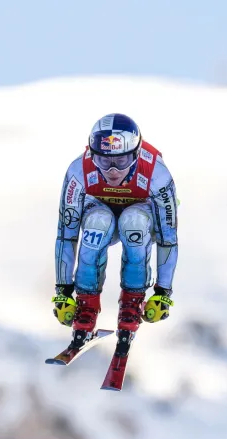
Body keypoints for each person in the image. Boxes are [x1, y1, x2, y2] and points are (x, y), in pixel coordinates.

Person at [51, 113, 179, 347]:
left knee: (134, 224)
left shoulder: (156, 173)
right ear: (91, 154)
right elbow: (66, 234)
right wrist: (63, 291)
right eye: (102, 160)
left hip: (140, 216)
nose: (112, 170)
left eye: (121, 161)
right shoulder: (78, 171)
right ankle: (86, 307)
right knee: (96, 225)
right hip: (99, 212)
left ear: (136, 154)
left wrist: (163, 292)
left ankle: (132, 303)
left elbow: (167, 237)